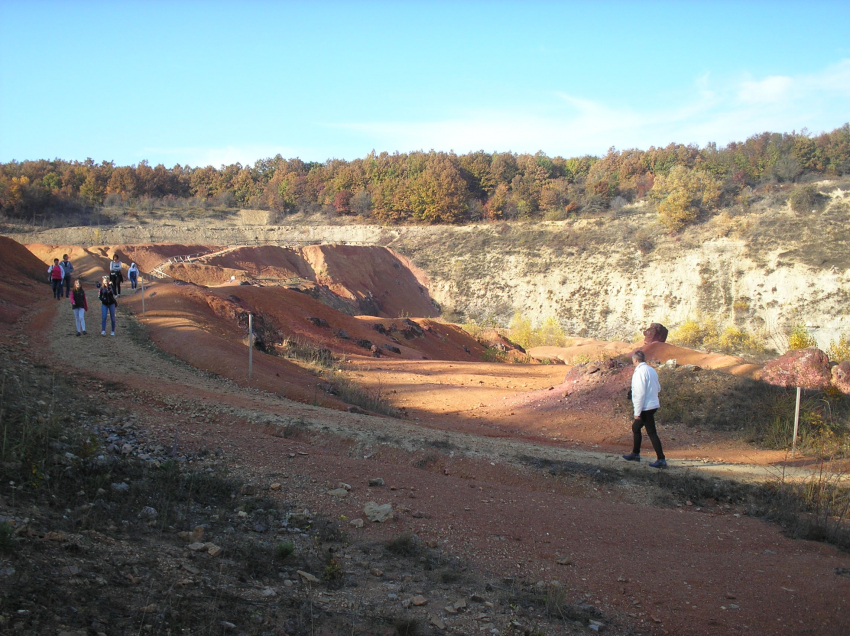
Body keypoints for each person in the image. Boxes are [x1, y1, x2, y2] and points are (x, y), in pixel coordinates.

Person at [622, 350, 667, 468]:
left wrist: (637, 412)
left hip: (645, 407)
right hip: (652, 405)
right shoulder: (651, 370)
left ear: (635, 359)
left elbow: (639, 393)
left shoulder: (639, 372)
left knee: (651, 432)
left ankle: (661, 459)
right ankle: (635, 453)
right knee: (636, 428)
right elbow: (658, 388)